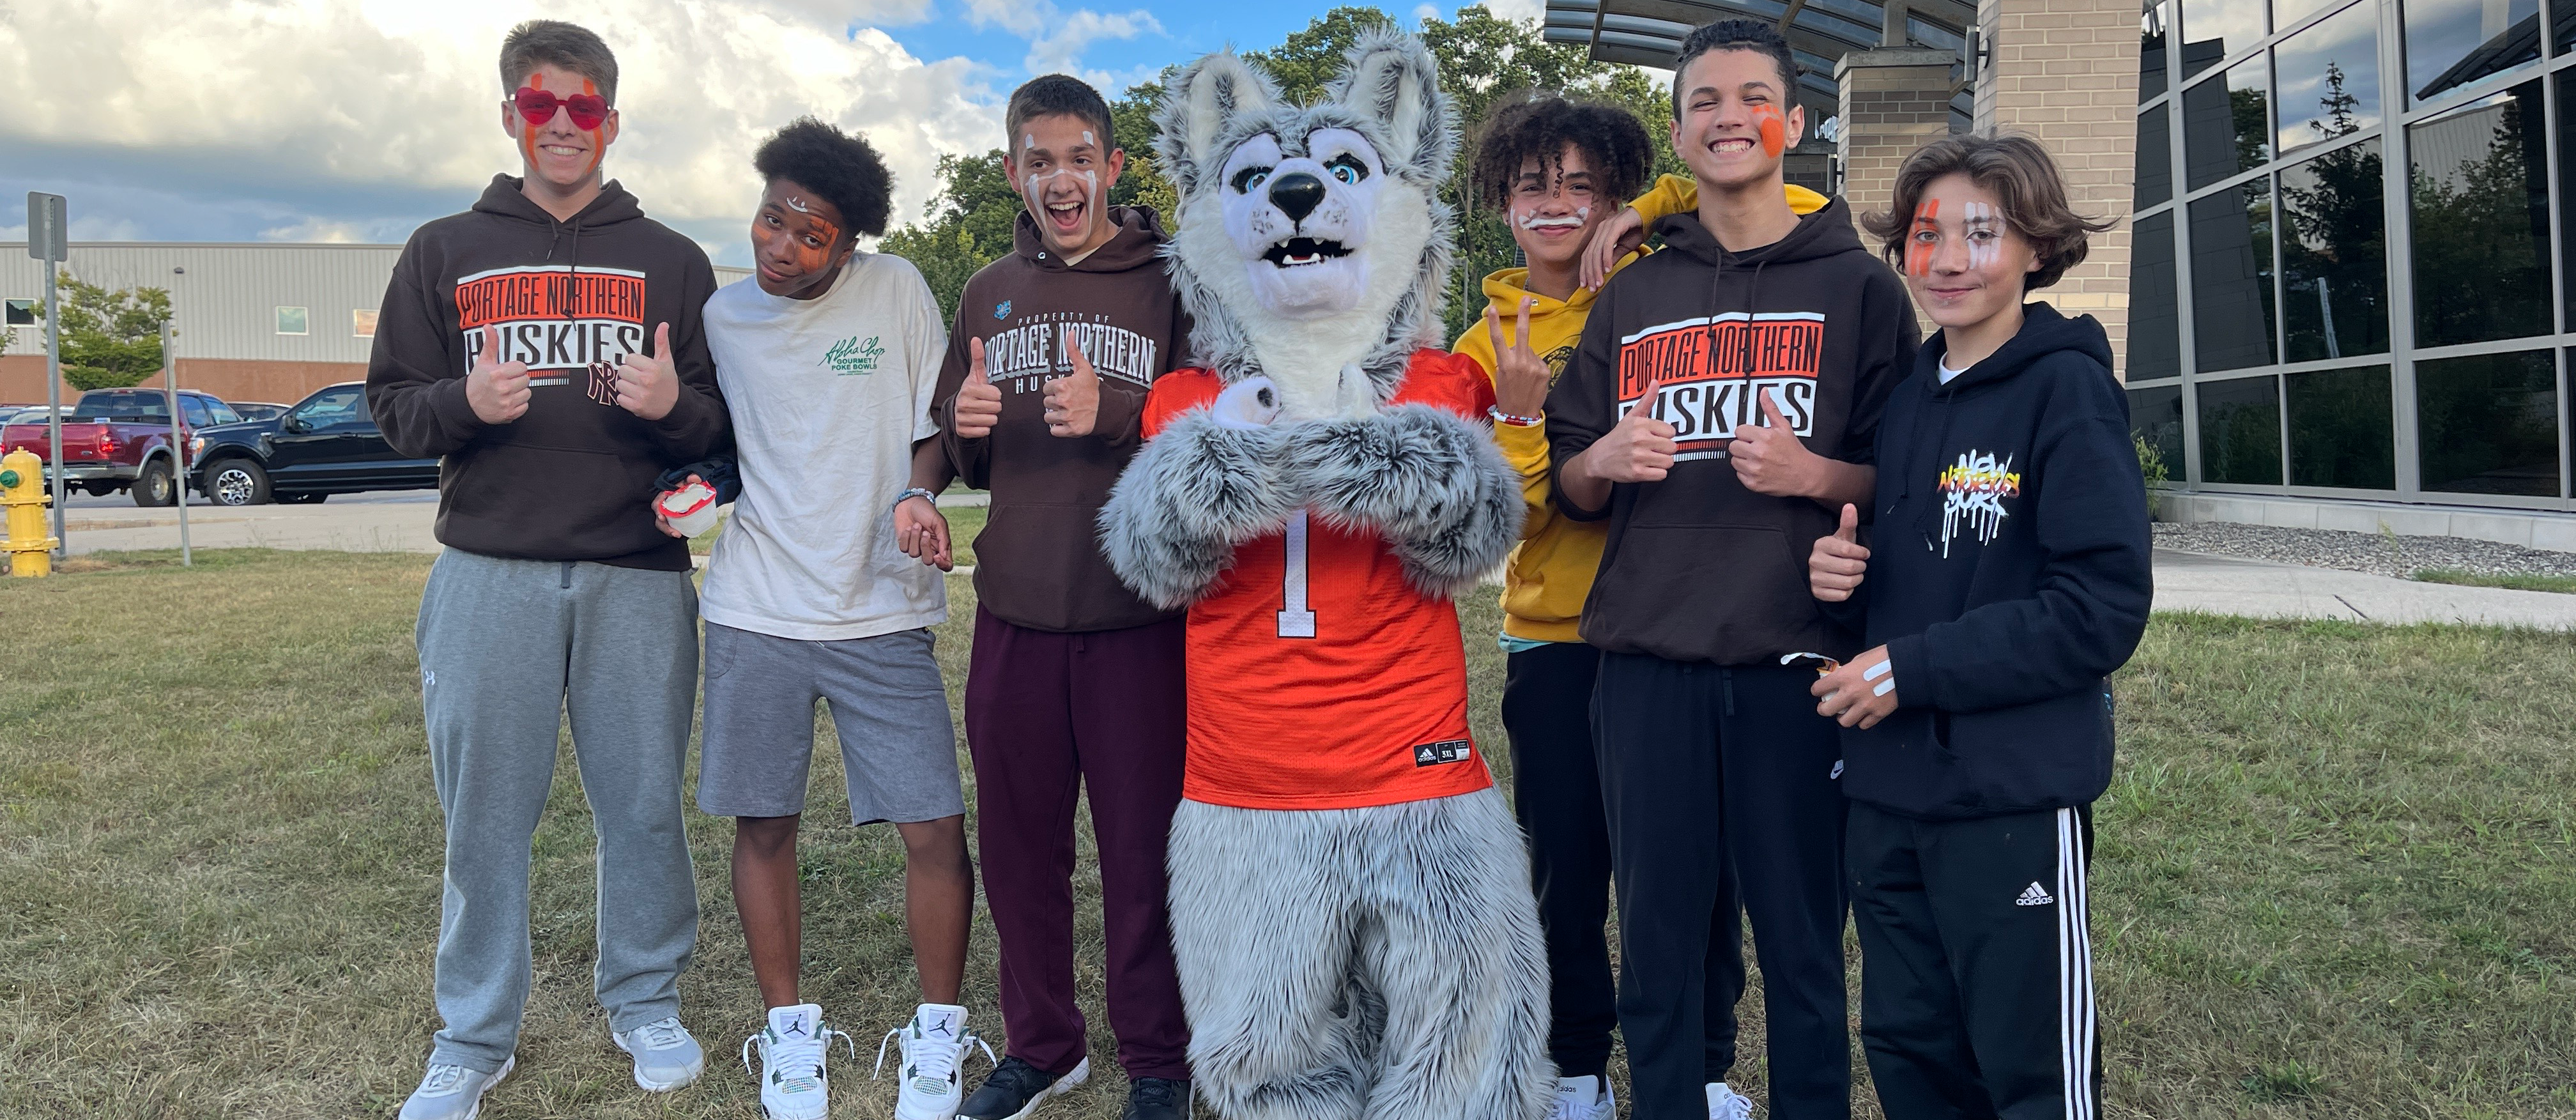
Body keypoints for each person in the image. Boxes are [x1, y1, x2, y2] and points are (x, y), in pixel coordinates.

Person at [1545, 18, 1920, 1120]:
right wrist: (1605, 459)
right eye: (1703, 100)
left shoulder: (1860, 291)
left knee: (1803, 943)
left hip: (1796, 666)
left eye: (1752, 97)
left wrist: (1812, 475)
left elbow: (1901, 486)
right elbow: (1569, 476)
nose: (1727, 118)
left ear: (1793, 124)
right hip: (1647, 660)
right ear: (1679, 130)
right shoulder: (1634, 293)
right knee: (1655, 944)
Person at [366, 20, 728, 1120]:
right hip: (489, 571)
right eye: (541, 106)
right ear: (511, 114)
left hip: (635, 574)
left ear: (611, 122)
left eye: (583, 108)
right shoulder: (442, 248)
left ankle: (645, 996)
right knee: (484, 815)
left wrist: (676, 414)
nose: (562, 125)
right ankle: (473, 1035)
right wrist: (458, 407)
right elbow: (390, 408)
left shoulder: (671, 258)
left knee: (642, 805)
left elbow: (722, 432)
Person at [1455, 90, 1839, 1120]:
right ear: (1501, 199)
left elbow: (1783, 191)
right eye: (1536, 184)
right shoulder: (1477, 348)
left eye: (1586, 185)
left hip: (1685, 629)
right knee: (1569, 867)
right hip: (1561, 638)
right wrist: (1535, 426)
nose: (1559, 203)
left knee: (1696, 875)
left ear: (1618, 195)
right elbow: (1504, 520)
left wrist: (1655, 203)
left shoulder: (1665, 275)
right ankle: (1577, 1065)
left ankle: (1703, 1065)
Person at [1809, 133, 2144, 1120]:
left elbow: (2102, 607)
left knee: (2028, 1070)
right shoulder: (1910, 402)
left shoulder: (2069, 390)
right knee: (1911, 1050)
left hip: (2009, 795)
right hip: (1889, 794)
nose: (1949, 260)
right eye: (1925, 235)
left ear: (2037, 246)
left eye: (1981, 233)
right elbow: (1922, 583)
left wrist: (1910, 669)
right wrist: (1842, 587)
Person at [675, 118, 985, 1120]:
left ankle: (939, 1030)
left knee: (934, 824)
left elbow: (931, 432)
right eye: (773, 220)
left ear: (849, 246)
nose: (783, 245)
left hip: (881, 606)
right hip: (755, 605)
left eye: (812, 236)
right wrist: (684, 481)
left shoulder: (896, 291)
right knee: (764, 820)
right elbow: (711, 438)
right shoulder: (724, 319)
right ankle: (789, 1033)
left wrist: (921, 495)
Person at [930, 74, 1196, 1120]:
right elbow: (963, 451)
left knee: (1143, 850)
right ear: (1013, 172)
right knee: (1020, 849)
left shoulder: (1172, 282)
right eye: (1038, 160)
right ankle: (1045, 1044)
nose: (1060, 178)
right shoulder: (987, 289)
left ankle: (1159, 1055)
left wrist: (1124, 406)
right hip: (1017, 613)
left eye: (1079, 156)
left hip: (1140, 616)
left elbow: (1217, 420)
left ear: (1113, 166)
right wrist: (965, 424)